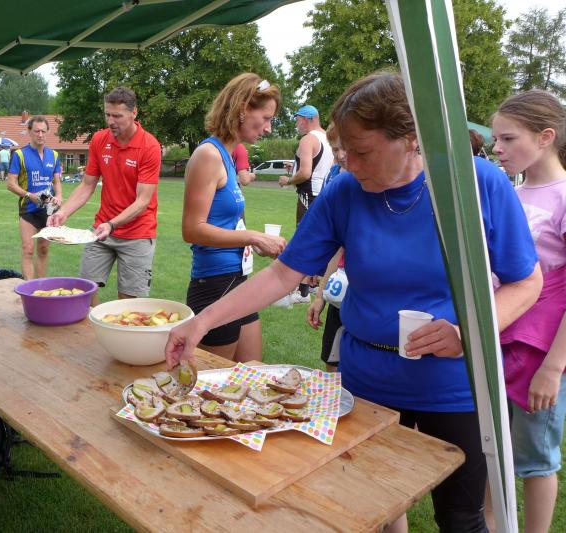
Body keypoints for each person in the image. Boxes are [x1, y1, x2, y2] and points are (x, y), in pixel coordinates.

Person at [166, 71, 542, 533]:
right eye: (344, 151)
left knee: (461, 519)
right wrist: (202, 321)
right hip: (366, 384)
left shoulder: (476, 183)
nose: (349, 163)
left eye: (362, 152)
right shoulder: (345, 191)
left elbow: (527, 281)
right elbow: (284, 274)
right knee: (372, 509)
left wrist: (470, 332)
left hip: (454, 387)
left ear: (411, 139)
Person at [489, 89, 566, 533]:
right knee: (493, 441)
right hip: (500, 336)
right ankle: (487, 522)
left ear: (545, 137)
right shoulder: (512, 193)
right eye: (496, 139)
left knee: (536, 456)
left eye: (508, 138)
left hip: (542, 350)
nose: (498, 148)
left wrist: (553, 368)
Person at [182, 74, 286, 363]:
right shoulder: (209, 155)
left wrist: (255, 242)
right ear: (242, 108)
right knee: (211, 384)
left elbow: (225, 222)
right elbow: (192, 230)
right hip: (215, 284)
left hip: (238, 280)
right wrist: (253, 237)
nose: (268, 128)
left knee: (252, 372)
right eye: (265, 118)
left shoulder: (229, 155)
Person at [48, 87, 161, 306]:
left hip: (137, 233)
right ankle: (97, 322)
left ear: (134, 113)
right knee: (83, 290)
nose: (111, 121)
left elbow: (142, 201)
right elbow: (87, 185)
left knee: (128, 303)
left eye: (117, 116)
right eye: (107, 114)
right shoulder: (99, 140)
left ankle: (114, 327)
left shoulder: (149, 146)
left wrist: (112, 224)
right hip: (102, 230)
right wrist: (63, 213)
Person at [279, 104, 334, 300]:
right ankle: (313, 285)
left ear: (308, 119)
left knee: (304, 239)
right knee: (320, 239)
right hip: (326, 193)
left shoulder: (308, 139)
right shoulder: (329, 137)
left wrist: (288, 180)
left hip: (308, 194)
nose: (296, 125)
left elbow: (305, 173)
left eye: (297, 120)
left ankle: (302, 291)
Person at [307, 121, 348, 371]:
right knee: (332, 366)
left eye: (345, 147)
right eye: (335, 149)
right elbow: (335, 247)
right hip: (338, 293)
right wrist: (320, 295)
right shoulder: (336, 179)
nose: (340, 155)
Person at [6, 115, 63, 279]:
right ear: (29, 131)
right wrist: (28, 195)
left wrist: (59, 196)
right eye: (37, 131)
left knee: (43, 250)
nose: (40, 135)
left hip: (48, 209)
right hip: (28, 208)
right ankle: (29, 287)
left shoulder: (54, 155)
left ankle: (41, 286)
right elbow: (10, 184)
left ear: (47, 132)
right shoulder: (19, 155)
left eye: (43, 131)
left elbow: (56, 181)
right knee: (28, 249)